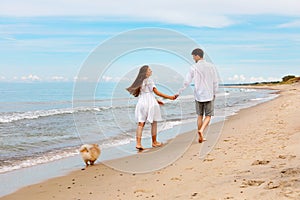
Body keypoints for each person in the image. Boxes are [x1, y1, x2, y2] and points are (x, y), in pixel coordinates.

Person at [127, 65, 177, 150]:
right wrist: (170, 97)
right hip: (150, 103)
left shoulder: (140, 81)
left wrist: (157, 101)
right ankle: (154, 142)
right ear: (145, 72)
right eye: (149, 70)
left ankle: (138, 143)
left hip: (141, 103)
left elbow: (146, 94)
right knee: (154, 122)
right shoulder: (149, 80)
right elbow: (156, 93)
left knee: (141, 123)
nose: (151, 71)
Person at [177, 48, 219, 143]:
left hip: (198, 95)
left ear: (197, 55)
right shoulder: (211, 66)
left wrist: (178, 92)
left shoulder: (193, 67)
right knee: (208, 116)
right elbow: (215, 81)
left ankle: (200, 136)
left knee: (200, 115)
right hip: (209, 94)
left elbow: (186, 81)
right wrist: (215, 93)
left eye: (193, 56)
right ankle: (201, 130)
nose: (193, 59)